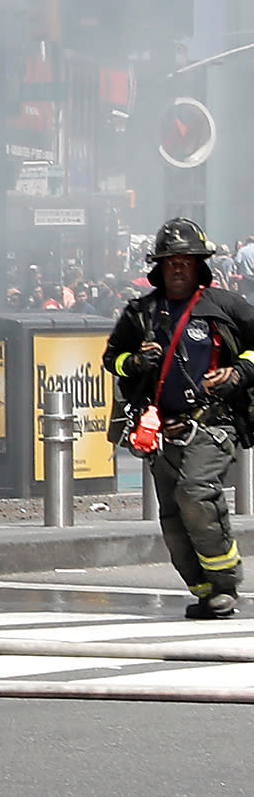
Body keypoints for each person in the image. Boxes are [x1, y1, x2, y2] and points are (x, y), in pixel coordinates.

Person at [102, 218, 254, 620]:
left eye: (187, 260)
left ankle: (225, 585)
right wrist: (134, 362)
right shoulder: (142, 313)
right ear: (159, 266)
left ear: (200, 264)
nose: (179, 267)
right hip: (162, 430)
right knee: (171, 515)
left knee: (196, 493)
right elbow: (110, 359)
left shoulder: (225, 307)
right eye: (171, 260)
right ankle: (203, 590)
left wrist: (238, 372)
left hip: (212, 423)